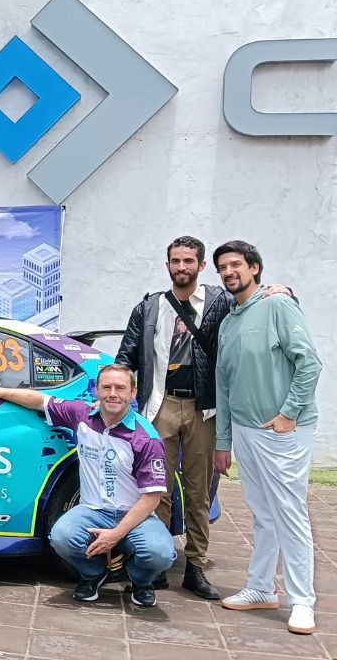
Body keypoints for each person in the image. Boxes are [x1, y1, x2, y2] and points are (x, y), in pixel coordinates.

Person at [116, 236, 292, 600]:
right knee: (156, 488)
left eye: (188, 261)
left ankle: (195, 567)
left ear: (201, 265)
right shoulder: (149, 307)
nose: (181, 267)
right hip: (159, 406)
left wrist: (284, 292)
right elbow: (126, 356)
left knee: (199, 491)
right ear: (167, 265)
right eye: (175, 261)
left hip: (204, 408)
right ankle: (156, 563)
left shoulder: (221, 302)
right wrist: (116, 391)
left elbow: (258, 305)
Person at [0, 364, 176, 608]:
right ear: (96, 390)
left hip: (135, 515)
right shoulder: (82, 415)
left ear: (133, 392)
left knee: (160, 553)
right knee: (61, 536)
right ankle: (93, 574)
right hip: (93, 510)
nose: (112, 394)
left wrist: (116, 535)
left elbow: (151, 499)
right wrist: (0, 392)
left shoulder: (146, 438)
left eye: (120, 388)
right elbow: (40, 401)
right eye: (106, 387)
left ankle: (141, 581)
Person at [212, 240, 321, 635]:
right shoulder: (228, 322)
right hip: (245, 431)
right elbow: (224, 384)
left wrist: (289, 414)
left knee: (289, 513)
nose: (229, 272)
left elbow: (309, 363)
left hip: (282, 432)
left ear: (254, 267)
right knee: (263, 514)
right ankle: (261, 588)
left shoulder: (278, 304)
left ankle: (302, 601)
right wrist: (223, 440)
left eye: (236, 264)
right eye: (223, 267)